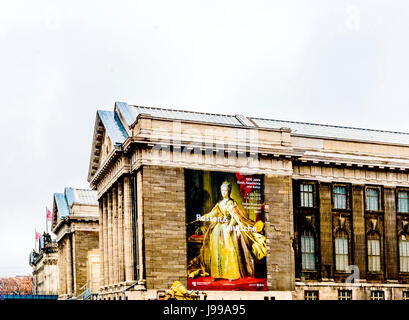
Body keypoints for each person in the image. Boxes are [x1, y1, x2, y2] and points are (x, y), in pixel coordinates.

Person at [188, 181, 266, 281]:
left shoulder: (231, 203)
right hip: (218, 228)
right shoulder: (220, 204)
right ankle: (217, 274)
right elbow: (213, 213)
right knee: (216, 249)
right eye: (222, 190)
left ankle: (231, 274)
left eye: (226, 190)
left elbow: (235, 217)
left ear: (229, 191)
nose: (224, 192)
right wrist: (203, 217)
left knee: (229, 249)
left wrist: (230, 226)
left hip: (228, 227)